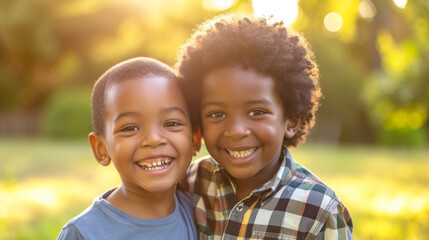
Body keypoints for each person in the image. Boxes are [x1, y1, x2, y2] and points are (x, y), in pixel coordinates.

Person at [175, 14, 353, 239]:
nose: (237, 130)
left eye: (256, 112)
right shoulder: (190, 182)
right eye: (217, 114)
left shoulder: (319, 210)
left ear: (292, 121)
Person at [58, 57, 200, 240]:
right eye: (130, 128)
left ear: (195, 138)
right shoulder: (83, 234)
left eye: (171, 123)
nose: (153, 139)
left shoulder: (204, 213)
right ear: (101, 149)